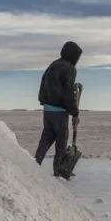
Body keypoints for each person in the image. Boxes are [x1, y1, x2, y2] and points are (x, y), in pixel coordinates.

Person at [34, 41, 82, 177]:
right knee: (62, 138)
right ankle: (59, 169)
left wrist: (43, 101)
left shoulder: (53, 64)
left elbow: (43, 83)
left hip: (47, 108)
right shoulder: (69, 68)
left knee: (47, 135)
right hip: (60, 110)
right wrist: (74, 112)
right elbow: (68, 91)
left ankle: (36, 161)